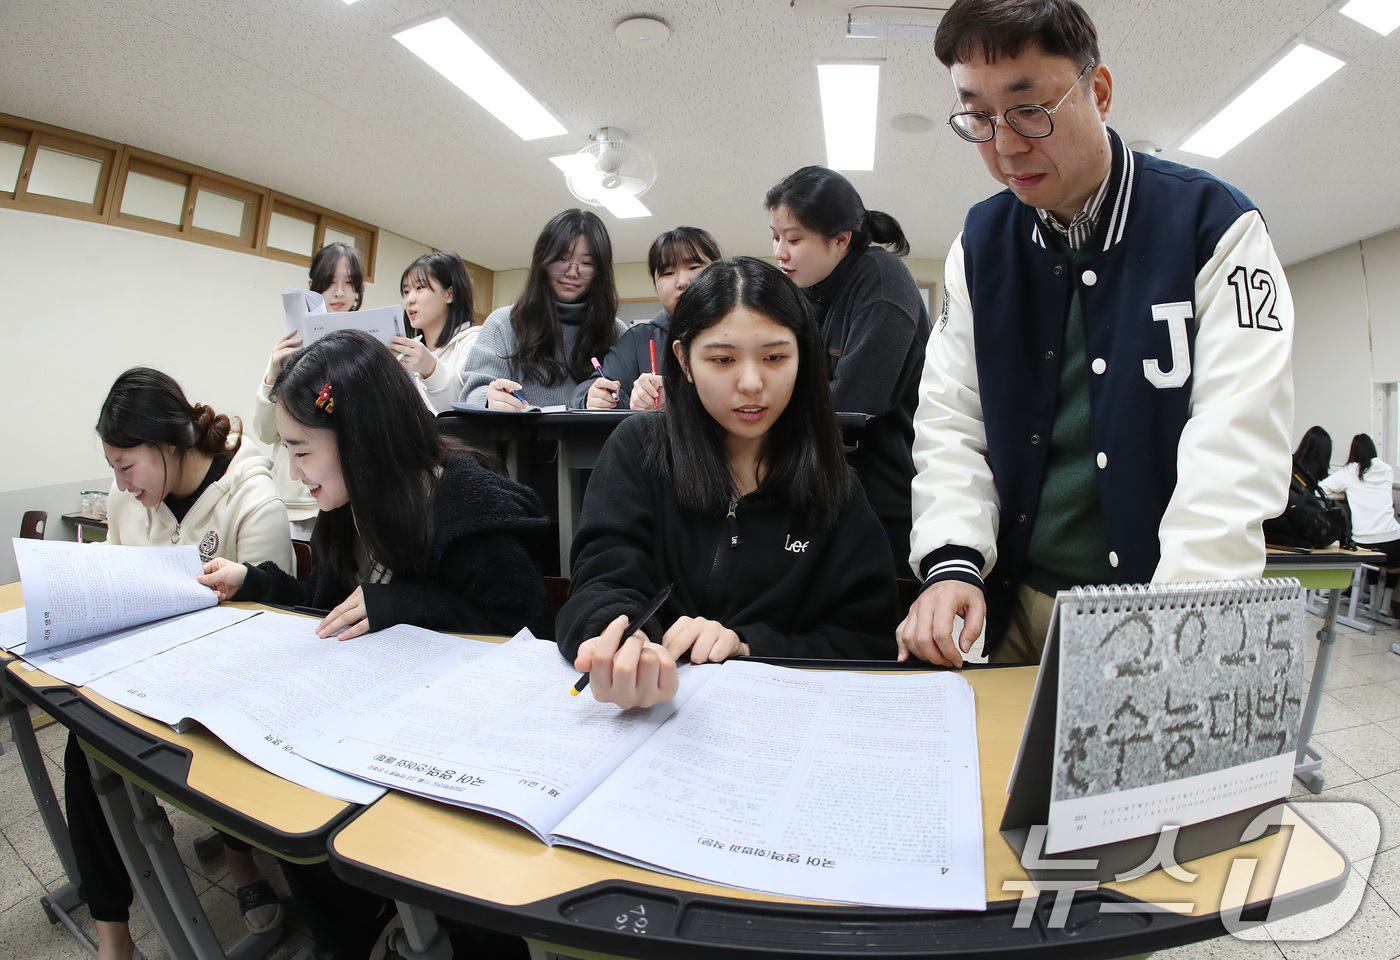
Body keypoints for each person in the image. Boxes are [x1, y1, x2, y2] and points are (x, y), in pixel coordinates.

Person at [900, 0, 1294, 667]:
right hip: (1016, 602)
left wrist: (1182, 622)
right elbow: (951, 419)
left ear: (1098, 92)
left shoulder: (1212, 226)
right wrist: (952, 562)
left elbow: (1236, 440)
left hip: (1161, 605)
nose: (1005, 144)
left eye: (1029, 109)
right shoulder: (981, 246)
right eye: (979, 116)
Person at [200, 329, 553, 959]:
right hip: (385, 723)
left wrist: (401, 606)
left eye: (302, 450)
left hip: (474, 743)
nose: (294, 470)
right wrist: (253, 580)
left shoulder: (459, 494)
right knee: (296, 822)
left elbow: (523, 625)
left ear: (358, 440)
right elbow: (335, 610)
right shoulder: (348, 506)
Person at [557, 257, 898, 709]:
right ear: (684, 360)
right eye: (722, 359)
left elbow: (864, 640)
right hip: (652, 723)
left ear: (803, 357)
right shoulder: (639, 449)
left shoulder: (833, 486)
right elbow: (600, 579)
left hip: (774, 727)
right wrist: (619, 639)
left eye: (775, 357)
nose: (752, 383)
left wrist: (748, 646)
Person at [72, 368, 293, 960]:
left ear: (167, 446)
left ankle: (242, 861)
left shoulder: (251, 497)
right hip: (150, 669)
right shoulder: (127, 497)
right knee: (80, 738)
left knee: (217, 725)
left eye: (126, 465)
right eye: (113, 466)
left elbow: (276, 629)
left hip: (235, 677)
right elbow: (118, 581)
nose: (118, 482)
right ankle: (111, 932)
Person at [764, 166, 932, 571]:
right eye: (775, 237)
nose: (779, 252)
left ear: (840, 240)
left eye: (794, 238)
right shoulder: (811, 290)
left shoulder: (881, 281)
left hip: (884, 499)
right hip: (829, 489)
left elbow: (854, 403)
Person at [252, 241, 366, 537]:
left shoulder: (363, 349)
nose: (339, 292)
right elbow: (266, 432)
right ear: (314, 287)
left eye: (349, 283)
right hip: (292, 498)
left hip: (348, 496)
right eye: (330, 283)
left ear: (358, 292)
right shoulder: (290, 347)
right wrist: (272, 376)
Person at [460, 209, 626, 409]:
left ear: (600, 271)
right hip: (521, 439)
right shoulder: (503, 324)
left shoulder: (616, 332)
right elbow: (473, 390)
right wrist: (488, 398)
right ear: (543, 260)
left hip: (593, 440)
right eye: (562, 259)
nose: (572, 272)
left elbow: (631, 401)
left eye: (587, 263)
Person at [569, 226, 722, 410]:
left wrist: (676, 398)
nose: (682, 282)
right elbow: (596, 385)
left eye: (694, 267)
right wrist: (595, 397)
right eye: (667, 273)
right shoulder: (640, 339)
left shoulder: (739, 329)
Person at [390, 251, 481, 412]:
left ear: (449, 294)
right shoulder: (407, 349)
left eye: (419, 288)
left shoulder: (474, 342)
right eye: (406, 291)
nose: (410, 299)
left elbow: (467, 408)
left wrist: (430, 368)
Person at [1321, 434, 1400, 609]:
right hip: (1393, 542)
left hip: (1364, 542)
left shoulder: (1350, 471)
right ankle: (1385, 605)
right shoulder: (1387, 469)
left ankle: (1372, 601)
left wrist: (1344, 494)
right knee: (1390, 545)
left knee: (1372, 552)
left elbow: (1321, 490)